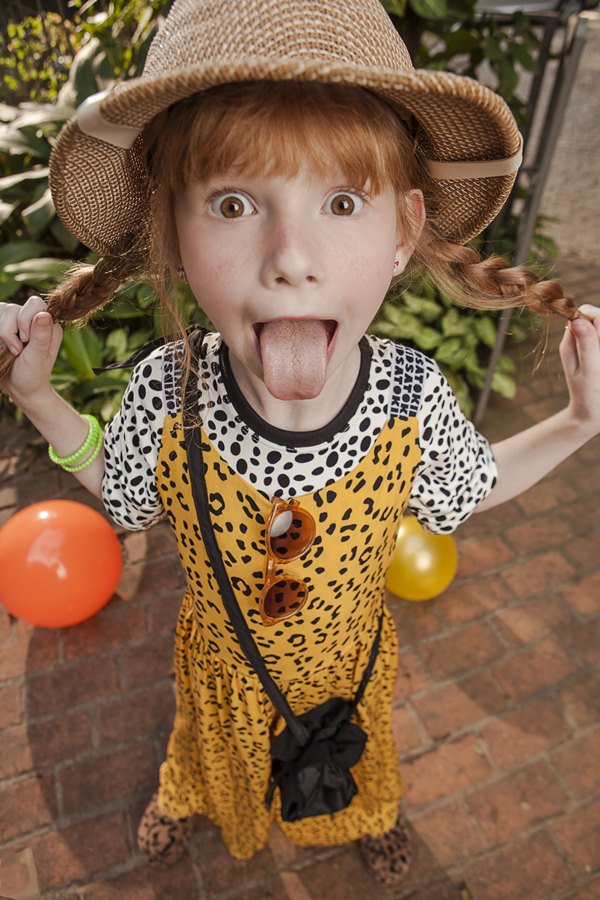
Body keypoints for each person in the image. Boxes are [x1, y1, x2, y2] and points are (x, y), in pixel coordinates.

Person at [0, 0, 599, 886]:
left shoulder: (407, 396)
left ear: (402, 230)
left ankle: (370, 816)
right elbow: (128, 498)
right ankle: (188, 791)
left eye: (343, 201)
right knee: (207, 747)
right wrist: (43, 399)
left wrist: (582, 421)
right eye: (234, 202)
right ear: (174, 229)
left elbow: (468, 485)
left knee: (362, 758)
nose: (290, 257)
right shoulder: (172, 390)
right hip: (222, 667)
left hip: (345, 666)